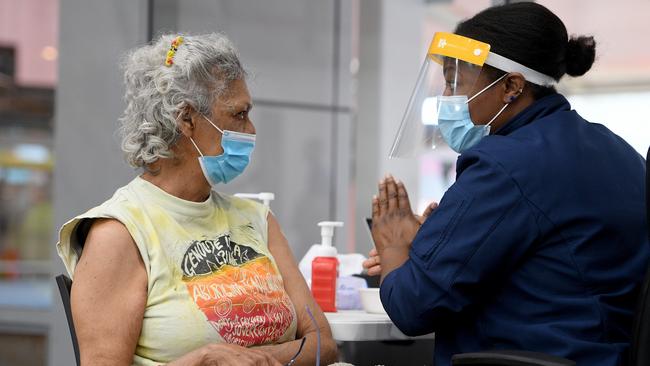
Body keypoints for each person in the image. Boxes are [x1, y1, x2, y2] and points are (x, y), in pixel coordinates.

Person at [363, 3, 649, 366]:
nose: (447, 97)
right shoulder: (615, 149)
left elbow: (413, 307)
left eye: (457, 82)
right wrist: (434, 245)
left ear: (511, 87)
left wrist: (393, 246)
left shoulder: (505, 165)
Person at [56, 33, 337, 366]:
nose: (251, 130)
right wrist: (203, 360)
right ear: (187, 119)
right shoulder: (120, 234)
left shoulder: (257, 220)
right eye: (239, 114)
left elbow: (323, 344)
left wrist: (258, 360)